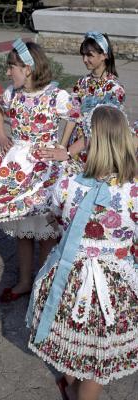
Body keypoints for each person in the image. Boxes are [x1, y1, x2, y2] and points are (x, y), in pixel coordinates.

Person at [26, 105, 137, 400]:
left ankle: (70, 383)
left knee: (71, 344)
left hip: (69, 277)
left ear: (89, 141)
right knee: (99, 360)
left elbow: (54, 215)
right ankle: (78, 391)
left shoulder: (67, 184)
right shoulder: (134, 190)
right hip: (116, 286)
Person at [0, 39, 80, 302]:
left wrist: (64, 148)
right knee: (25, 228)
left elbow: (77, 119)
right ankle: (26, 280)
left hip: (45, 167)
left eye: (12, 66)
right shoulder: (12, 95)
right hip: (18, 164)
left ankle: (44, 281)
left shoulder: (56, 95)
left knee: (46, 226)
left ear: (28, 68)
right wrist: (1, 134)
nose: (7, 72)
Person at [39, 31, 125, 163]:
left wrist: (68, 152)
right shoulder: (81, 83)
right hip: (75, 148)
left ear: (104, 55)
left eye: (89, 55)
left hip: (99, 149)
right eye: (83, 55)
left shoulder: (114, 89)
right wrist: (63, 145)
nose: (85, 59)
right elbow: (73, 117)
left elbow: (102, 129)